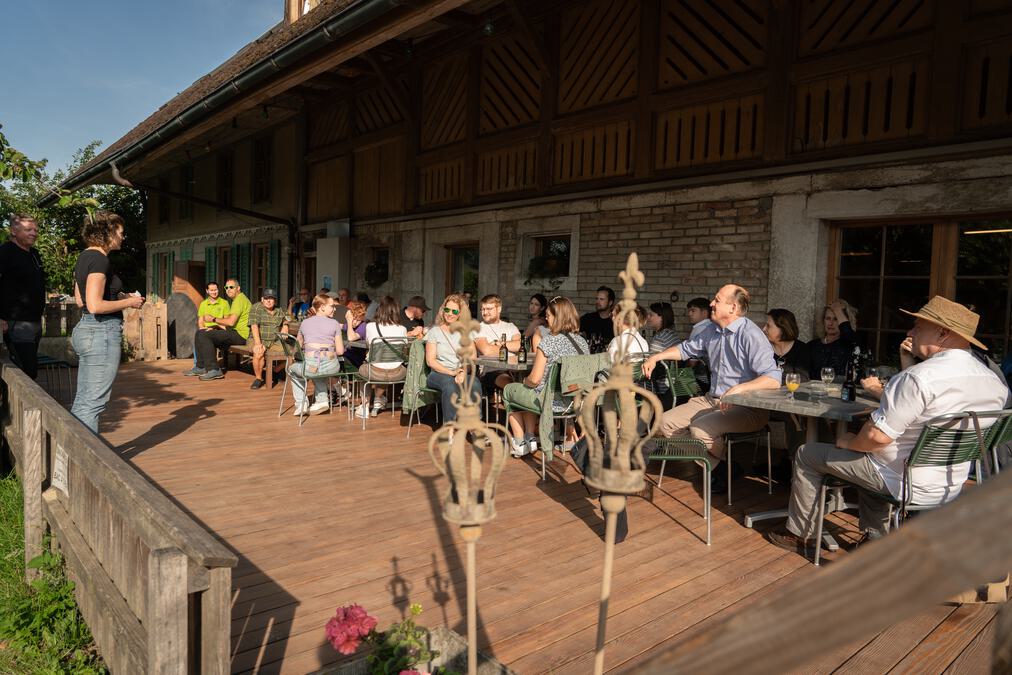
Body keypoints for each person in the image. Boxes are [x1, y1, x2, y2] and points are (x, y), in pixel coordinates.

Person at [765, 296, 1009, 555]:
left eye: (918, 326)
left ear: (943, 332)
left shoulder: (919, 378)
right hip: (950, 483)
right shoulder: (994, 383)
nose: (910, 332)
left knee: (809, 453)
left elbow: (877, 437)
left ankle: (799, 534)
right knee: (871, 456)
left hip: (903, 480)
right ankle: (874, 537)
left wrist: (848, 441)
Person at [642, 284, 782, 493]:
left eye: (717, 300)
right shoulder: (710, 330)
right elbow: (685, 349)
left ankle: (720, 470)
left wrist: (739, 390)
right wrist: (656, 356)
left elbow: (773, 378)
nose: (711, 304)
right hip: (712, 400)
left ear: (733, 308)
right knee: (664, 423)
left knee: (700, 431)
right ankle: (722, 468)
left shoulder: (750, 334)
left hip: (746, 406)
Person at [69, 211, 145, 433]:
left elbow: (80, 299)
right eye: (120, 233)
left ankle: (67, 462)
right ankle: (83, 463)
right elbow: (94, 305)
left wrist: (121, 297)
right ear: (108, 232)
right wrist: (129, 304)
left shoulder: (84, 257)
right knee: (92, 405)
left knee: (83, 402)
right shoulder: (101, 260)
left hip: (87, 329)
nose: (123, 237)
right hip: (100, 332)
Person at [502, 296, 588, 457]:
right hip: (574, 403)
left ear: (558, 317)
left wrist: (525, 381)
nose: (546, 320)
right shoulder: (582, 342)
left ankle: (520, 441)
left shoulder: (548, 341)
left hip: (550, 403)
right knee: (526, 391)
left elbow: (534, 380)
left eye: (548, 316)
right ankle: (530, 437)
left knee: (510, 390)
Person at [0, 214, 46, 380]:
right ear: (13, 231)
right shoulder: (5, 252)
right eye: (28, 230)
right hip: (16, 323)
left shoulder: (34, 253)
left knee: (30, 369)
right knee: (26, 371)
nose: (34, 233)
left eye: (35, 230)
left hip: (34, 321)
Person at [425, 293, 482, 424]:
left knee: (475, 383)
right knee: (450, 385)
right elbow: (431, 361)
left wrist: (462, 371)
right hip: (438, 373)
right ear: (442, 310)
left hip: (460, 371)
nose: (449, 313)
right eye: (447, 310)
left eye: (454, 311)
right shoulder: (435, 331)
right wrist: (452, 373)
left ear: (460, 314)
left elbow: (472, 357)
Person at [291, 293, 345, 416]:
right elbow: (341, 351)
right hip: (332, 367)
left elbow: (297, 346)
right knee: (319, 371)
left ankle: (301, 404)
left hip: (312, 366)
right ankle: (322, 400)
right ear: (322, 307)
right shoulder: (335, 323)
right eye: (332, 306)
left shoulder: (305, 323)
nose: (335, 308)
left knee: (292, 370)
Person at [188, 278, 252, 380]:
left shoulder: (239, 300)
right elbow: (231, 323)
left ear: (238, 288)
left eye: (231, 287)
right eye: (226, 287)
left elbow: (230, 321)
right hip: (234, 332)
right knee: (200, 332)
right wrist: (216, 327)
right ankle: (201, 367)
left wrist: (213, 319)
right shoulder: (237, 300)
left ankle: (214, 370)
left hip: (241, 335)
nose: (228, 289)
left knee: (205, 335)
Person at [356, 296, 409, 419]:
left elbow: (369, 345)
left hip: (375, 371)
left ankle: (364, 407)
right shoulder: (402, 329)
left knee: (364, 372)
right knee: (387, 366)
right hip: (397, 373)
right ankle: (378, 399)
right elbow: (405, 348)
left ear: (379, 310)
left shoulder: (371, 326)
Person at [474, 294, 522, 394]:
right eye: (482, 309)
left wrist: (496, 344)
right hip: (491, 369)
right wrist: (510, 348)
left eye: (489, 309)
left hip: (514, 368)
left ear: (499, 309)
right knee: (510, 385)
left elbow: (519, 346)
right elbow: (486, 351)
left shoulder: (510, 326)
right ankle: (516, 396)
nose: (485, 312)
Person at [247, 288, 288, 390]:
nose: (269, 301)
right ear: (262, 299)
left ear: (275, 300)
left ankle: (275, 370)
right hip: (257, 338)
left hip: (274, 341)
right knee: (259, 351)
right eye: (266, 299)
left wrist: (285, 326)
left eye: (271, 299)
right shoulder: (256, 308)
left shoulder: (279, 310)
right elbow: (254, 325)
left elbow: (287, 319)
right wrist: (258, 343)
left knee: (294, 353)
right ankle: (258, 378)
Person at [808, 299, 858, 380]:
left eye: (836, 319)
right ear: (823, 321)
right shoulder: (811, 345)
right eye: (828, 318)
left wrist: (838, 310)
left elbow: (852, 338)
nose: (831, 323)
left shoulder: (848, 344)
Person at [644, 302, 679, 410]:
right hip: (674, 385)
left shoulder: (660, 338)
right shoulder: (671, 333)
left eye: (651, 315)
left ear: (661, 317)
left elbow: (653, 365)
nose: (648, 318)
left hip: (662, 387)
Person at [763, 308, 810, 381]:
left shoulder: (802, 349)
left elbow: (803, 378)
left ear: (782, 329)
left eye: (768, 326)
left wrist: (774, 380)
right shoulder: (763, 347)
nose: (764, 329)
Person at [193, 281, 229, 365]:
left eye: (215, 290)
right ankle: (198, 366)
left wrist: (214, 327)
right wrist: (202, 328)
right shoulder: (203, 304)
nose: (214, 292)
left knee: (204, 336)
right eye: (211, 290)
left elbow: (227, 321)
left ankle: (210, 366)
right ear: (207, 291)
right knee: (198, 334)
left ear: (218, 290)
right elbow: (201, 320)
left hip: (219, 329)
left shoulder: (224, 303)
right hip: (206, 329)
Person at [580, 286, 615, 353]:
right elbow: (572, 330)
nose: (598, 302)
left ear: (610, 302)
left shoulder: (616, 322)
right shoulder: (588, 318)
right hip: (589, 360)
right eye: (597, 299)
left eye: (601, 299)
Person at [342, 300, 369, 368]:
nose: (355, 322)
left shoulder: (363, 326)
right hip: (347, 356)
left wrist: (349, 321)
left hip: (356, 360)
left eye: (358, 320)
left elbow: (351, 338)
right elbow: (340, 326)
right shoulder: (350, 325)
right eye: (354, 319)